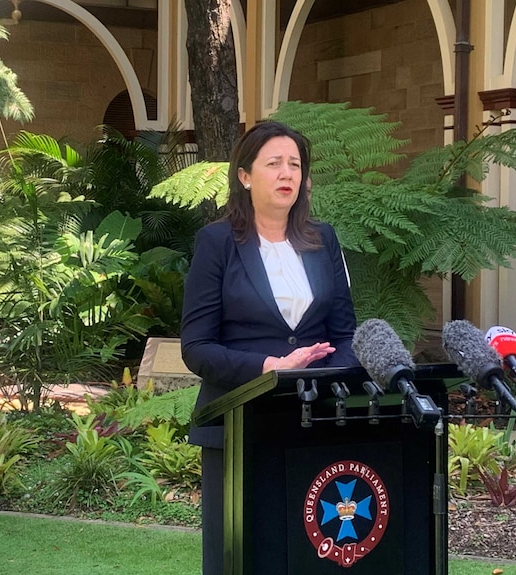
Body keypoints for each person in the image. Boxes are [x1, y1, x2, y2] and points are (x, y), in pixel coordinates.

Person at [180, 121, 359, 573]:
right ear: (244, 175)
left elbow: (346, 336)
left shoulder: (324, 240)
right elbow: (196, 347)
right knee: (240, 557)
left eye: (295, 165)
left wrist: (320, 380)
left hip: (312, 423)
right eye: (274, 163)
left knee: (307, 554)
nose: (287, 174)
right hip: (238, 424)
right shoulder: (216, 243)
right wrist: (270, 367)